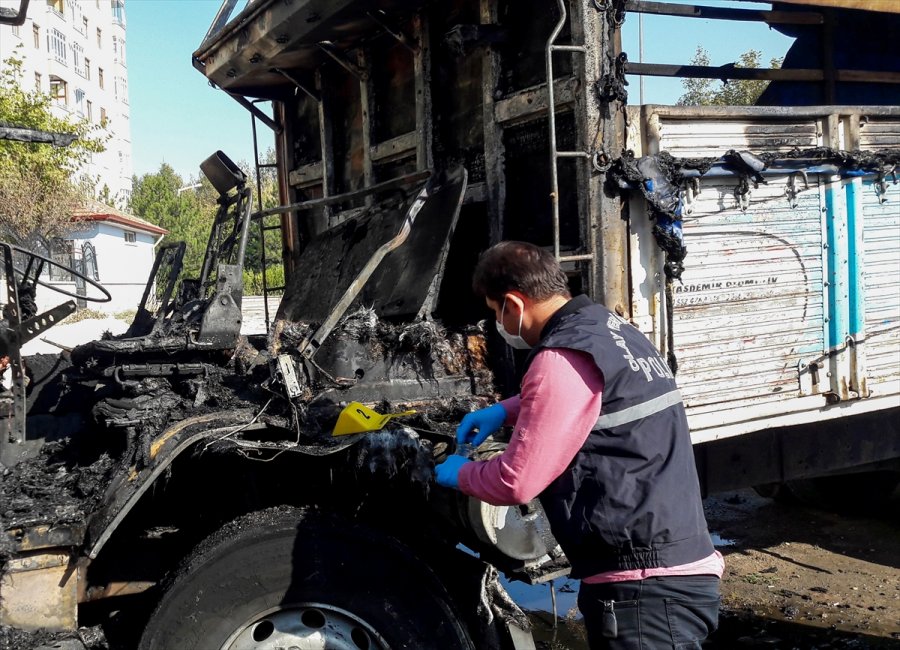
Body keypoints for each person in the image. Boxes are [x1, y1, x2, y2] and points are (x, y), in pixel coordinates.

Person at [435, 241, 723, 649]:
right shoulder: (611, 330)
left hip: (641, 587)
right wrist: (506, 411)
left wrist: (460, 474)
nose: (498, 323)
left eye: (495, 312)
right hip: (677, 564)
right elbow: (592, 396)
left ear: (514, 305)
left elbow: (516, 482)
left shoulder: (561, 356)